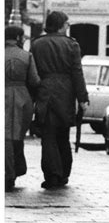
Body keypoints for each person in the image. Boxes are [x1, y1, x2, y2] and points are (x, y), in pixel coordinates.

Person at [30, 11, 88, 189]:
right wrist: (82, 99)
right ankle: (63, 173)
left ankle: (51, 174)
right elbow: (77, 73)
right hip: (65, 93)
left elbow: (32, 73)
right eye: (67, 24)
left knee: (48, 135)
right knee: (63, 135)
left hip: (44, 92)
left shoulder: (37, 44)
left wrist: (32, 97)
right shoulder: (71, 45)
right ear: (60, 25)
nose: (68, 27)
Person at [5, 26, 41, 192]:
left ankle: (8, 172)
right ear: (18, 37)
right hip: (21, 98)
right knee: (16, 136)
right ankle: (13, 172)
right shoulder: (27, 56)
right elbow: (34, 81)